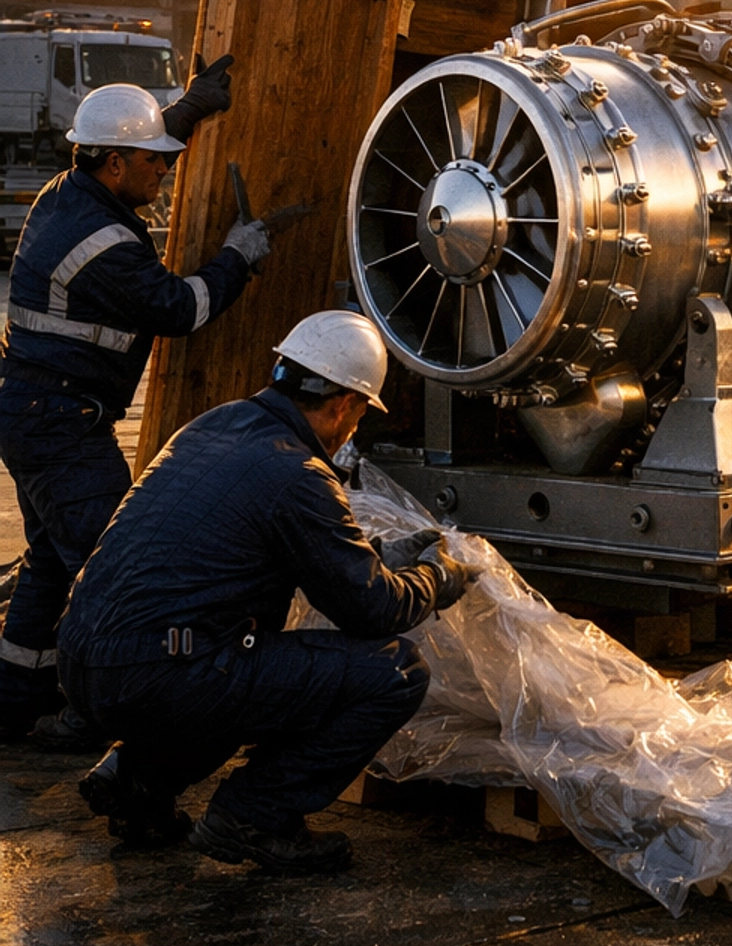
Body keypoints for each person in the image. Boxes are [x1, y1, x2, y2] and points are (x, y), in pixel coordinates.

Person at [61, 310, 473, 874]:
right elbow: (373, 609)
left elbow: (263, 546)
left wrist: (379, 558)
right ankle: (253, 816)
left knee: (240, 667)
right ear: (345, 406)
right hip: (160, 676)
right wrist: (436, 578)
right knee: (393, 671)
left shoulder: (213, 425)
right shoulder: (298, 472)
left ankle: (136, 783)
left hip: (85, 663)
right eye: (358, 418)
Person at [0, 68, 268, 745]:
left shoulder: (72, 192)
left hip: (37, 413)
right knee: (115, 567)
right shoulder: (108, 246)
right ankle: (92, 710)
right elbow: (183, 308)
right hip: (60, 424)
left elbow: (137, 143)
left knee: (51, 561)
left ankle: (14, 698)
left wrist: (192, 107)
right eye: (156, 163)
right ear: (115, 162)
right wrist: (237, 258)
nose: (166, 176)